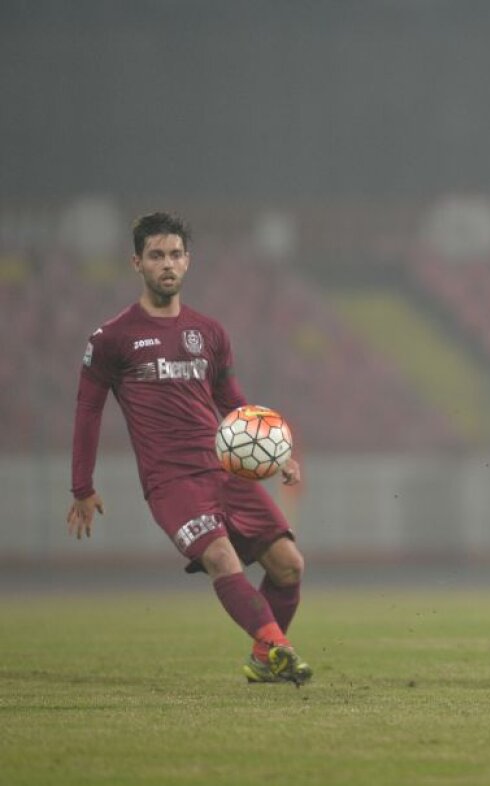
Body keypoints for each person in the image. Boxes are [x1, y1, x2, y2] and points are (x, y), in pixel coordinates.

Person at [67, 212, 313, 686]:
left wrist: (277, 451)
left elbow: (231, 403)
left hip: (225, 472)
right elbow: (87, 411)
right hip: (172, 481)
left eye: (175, 254)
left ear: (188, 262)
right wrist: (82, 486)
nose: (167, 264)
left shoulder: (211, 333)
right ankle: (280, 649)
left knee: (289, 566)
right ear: (136, 262)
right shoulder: (112, 339)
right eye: (156, 255)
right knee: (222, 557)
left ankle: (265, 659)